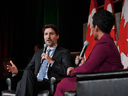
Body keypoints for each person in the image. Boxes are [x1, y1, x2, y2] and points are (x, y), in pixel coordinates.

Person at [54, 10, 123, 96]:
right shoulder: (107, 41)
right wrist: (83, 64)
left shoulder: (104, 43)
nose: (92, 30)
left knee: (63, 83)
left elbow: (87, 68)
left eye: (92, 27)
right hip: (104, 79)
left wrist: (72, 71)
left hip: (104, 83)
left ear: (96, 27)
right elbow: (95, 66)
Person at [7, 24, 72, 96]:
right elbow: (27, 71)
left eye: (51, 34)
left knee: (20, 84)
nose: (48, 37)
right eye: (46, 34)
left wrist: (51, 61)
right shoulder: (38, 52)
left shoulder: (64, 52)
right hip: (34, 81)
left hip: (48, 82)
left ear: (57, 36)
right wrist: (17, 72)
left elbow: (67, 71)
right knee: (27, 74)